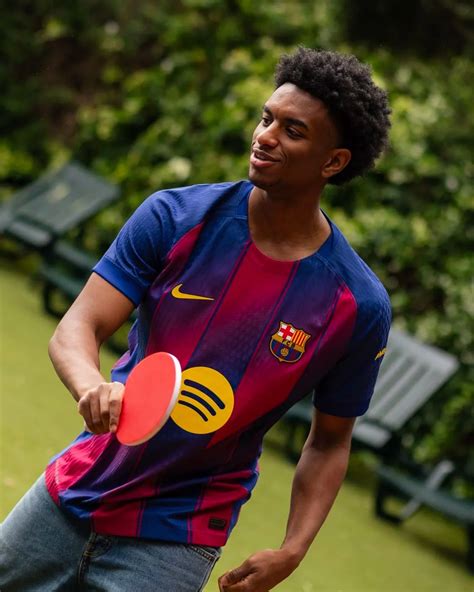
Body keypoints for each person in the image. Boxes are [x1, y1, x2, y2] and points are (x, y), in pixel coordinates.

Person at [0, 47, 391, 591]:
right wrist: (90, 385)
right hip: (73, 488)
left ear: (334, 162)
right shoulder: (174, 216)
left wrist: (293, 549)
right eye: (266, 118)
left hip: (178, 537)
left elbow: (329, 441)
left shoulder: (356, 305)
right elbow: (78, 326)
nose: (265, 136)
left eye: (293, 131)